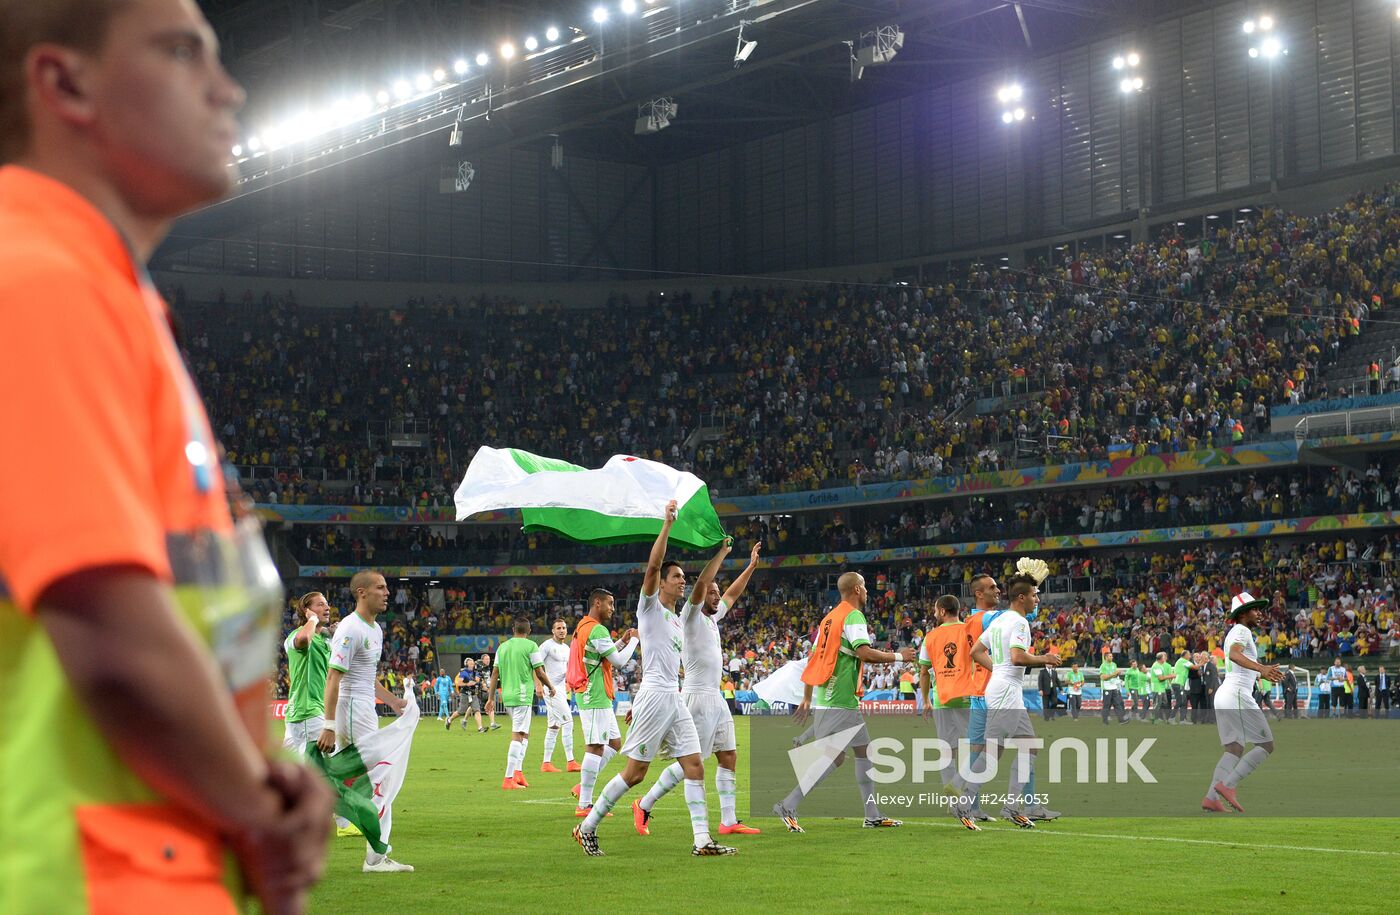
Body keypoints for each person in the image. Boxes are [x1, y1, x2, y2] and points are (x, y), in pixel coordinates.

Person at [0, 1, 336, 910]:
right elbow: (113, 635)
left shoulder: (105, 294)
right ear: (64, 82)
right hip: (79, 878)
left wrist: (257, 769)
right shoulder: (37, 278)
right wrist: (263, 807)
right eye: (184, 53)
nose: (228, 90)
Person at [573, 501, 735, 857]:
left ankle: (702, 840)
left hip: (672, 698)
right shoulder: (649, 609)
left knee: (694, 765)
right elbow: (652, 565)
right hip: (655, 697)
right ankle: (586, 827)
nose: (682, 581)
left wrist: (722, 552)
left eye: (682, 578)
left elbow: (706, 581)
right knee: (635, 774)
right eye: (675, 577)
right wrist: (667, 523)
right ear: (661, 583)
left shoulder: (679, 619)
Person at [770, 570, 916, 834]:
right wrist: (899, 656)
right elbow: (863, 652)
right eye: (866, 587)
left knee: (863, 752)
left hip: (833, 696)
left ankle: (871, 815)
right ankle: (788, 804)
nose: (869, 592)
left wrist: (807, 697)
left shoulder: (828, 619)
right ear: (857, 589)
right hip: (840, 699)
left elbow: (813, 660)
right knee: (834, 758)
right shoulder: (853, 615)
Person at [635, 541, 763, 837]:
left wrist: (751, 566)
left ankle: (728, 821)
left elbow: (733, 593)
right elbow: (705, 580)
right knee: (690, 763)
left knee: (728, 755)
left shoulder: (712, 617)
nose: (718, 597)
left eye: (718, 594)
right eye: (713, 593)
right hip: (696, 698)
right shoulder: (689, 617)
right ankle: (644, 803)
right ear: (701, 594)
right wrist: (723, 553)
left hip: (715, 698)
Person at [316, 570, 413, 873]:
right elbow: (334, 678)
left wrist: (394, 700)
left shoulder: (375, 629)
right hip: (351, 709)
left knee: (362, 778)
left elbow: (367, 678)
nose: (387, 592)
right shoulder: (350, 629)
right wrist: (329, 725)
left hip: (363, 707)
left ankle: (318, 801)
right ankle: (376, 858)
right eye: (380, 588)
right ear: (361, 592)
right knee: (380, 778)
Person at [969, 572, 1062, 827]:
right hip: (1006, 691)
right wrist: (1046, 658)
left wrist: (997, 670)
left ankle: (1011, 805)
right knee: (994, 751)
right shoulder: (1020, 623)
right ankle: (964, 802)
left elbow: (975, 651)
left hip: (1004, 688)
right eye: (1034, 595)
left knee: (1029, 746)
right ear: (1022, 597)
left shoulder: (999, 621)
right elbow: (1018, 658)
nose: (1037, 600)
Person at [1203, 592, 1284, 813]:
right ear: (1242, 613)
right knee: (1266, 745)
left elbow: (1236, 662)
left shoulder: (1234, 632)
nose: (1259, 613)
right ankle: (1228, 786)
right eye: (1255, 609)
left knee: (1234, 748)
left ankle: (1212, 798)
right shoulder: (1242, 630)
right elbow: (1234, 655)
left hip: (1226, 692)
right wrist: (1261, 668)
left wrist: (1260, 675)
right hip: (1237, 693)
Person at [568, 588, 637, 817]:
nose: (612, 608)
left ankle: (583, 786)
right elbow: (617, 662)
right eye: (610, 603)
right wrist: (634, 642)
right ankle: (584, 804)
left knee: (614, 743)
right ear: (597, 603)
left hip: (597, 693)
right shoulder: (596, 629)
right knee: (596, 746)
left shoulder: (584, 626)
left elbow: (602, 654)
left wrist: (621, 641)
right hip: (594, 693)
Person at [917, 593, 981, 830]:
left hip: (941, 699)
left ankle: (953, 801)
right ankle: (967, 798)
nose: (934, 614)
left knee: (948, 751)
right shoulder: (969, 630)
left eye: (935, 610)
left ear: (943, 611)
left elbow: (924, 672)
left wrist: (925, 700)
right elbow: (981, 657)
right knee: (978, 749)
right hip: (966, 696)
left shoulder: (930, 637)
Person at [485, 616, 555, 790]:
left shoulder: (502, 647)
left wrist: (491, 698)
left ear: (513, 629)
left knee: (524, 734)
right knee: (518, 735)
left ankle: (518, 772)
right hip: (522, 695)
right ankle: (508, 778)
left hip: (507, 696)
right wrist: (550, 687)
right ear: (529, 630)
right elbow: (539, 672)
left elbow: (494, 674)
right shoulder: (530, 646)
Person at [284, 593, 333, 756]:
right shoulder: (296, 636)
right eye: (320, 604)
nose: (327, 608)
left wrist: (332, 632)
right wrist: (312, 620)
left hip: (306, 712)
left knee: (291, 772)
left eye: (327, 604)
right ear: (307, 610)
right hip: (307, 711)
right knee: (319, 770)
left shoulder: (323, 640)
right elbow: (304, 638)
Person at [538, 617, 579, 773]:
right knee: (568, 721)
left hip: (561, 689)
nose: (562, 630)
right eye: (559, 628)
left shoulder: (567, 649)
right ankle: (571, 761)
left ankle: (546, 763)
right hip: (551, 689)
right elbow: (535, 665)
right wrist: (539, 685)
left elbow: (567, 670)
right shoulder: (546, 646)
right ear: (553, 631)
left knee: (554, 726)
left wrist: (570, 683)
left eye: (564, 628)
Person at [446, 658, 484, 732]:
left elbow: (477, 680)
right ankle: (449, 720)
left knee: (477, 710)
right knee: (461, 711)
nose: (472, 665)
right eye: (470, 664)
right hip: (465, 694)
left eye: (473, 663)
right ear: (466, 664)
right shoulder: (463, 672)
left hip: (473, 693)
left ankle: (480, 728)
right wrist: (467, 683)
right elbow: (459, 683)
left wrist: (478, 678)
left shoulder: (475, 672)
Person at [1099, 650, 1127, 724]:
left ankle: (1121, 720)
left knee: (1117, 704)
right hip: (1107, 688)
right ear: (1106, 657)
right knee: (1106, 705)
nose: (1112, 657)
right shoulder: (1103, 666)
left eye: (1112, 656)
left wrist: (1117, 674)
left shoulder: (1114, 664)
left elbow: (1114, 675)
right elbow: (1103, 677)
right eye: (1110, 656)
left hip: (1114, 687)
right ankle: (1105, 721)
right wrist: (1114, 674)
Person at [1149, 652, 1174, 723]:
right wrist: (1171, 676)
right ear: (1161, 658)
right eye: (1164, 657)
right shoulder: (1156, 666)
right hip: (1157, 688)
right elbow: (1160, 678)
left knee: (1164, 703)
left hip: (1161, 688)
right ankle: (1155, 718)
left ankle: (1160, 718)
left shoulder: (1159, 665)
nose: (1165, 658)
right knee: (1157, 704)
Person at [1172, 651, 1197, 724]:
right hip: (1178, 684)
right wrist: (1203, 662)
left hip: (1178, 684)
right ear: (1185, 655)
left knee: (1184, 701)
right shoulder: (1183, 661)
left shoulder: (1180, 661)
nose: (1190, 656)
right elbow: (1195, 667)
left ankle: (1182, 720)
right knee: (1180, 702)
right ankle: (1172, 717)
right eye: (1189, 655)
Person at [479, 652, 501, 730]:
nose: (488, 660)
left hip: (488, 690)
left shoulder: (488, 668)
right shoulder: (479, 668)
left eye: (488, 659)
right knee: (474, 707)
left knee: (490, 705)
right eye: (486, 659)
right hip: (481, 691)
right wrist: (485, 687)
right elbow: (480, 679)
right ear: (482, 660)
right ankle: (464, 719)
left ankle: (492, 723)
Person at [1201, 650, 1221, 724]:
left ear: (1206, 657)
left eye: (1202, 657)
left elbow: (1214, 677)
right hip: (1207, 687)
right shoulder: (1204, 666)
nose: (1201, 658)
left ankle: (1214, 720)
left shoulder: (1211, 666)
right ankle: (1209, 719)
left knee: (1212, 703)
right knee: (1209, 703)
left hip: (1211, 688)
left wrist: (1211, 688)